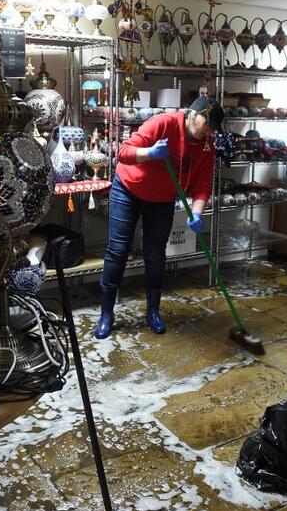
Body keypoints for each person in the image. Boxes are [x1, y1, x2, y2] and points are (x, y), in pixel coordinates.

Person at [95, 96, 223, 339]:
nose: (209, 131)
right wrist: (150, 153)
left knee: (155, 255)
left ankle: (153, 312)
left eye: (213, 128)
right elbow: (123, 152)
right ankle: (106, 313)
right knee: (118, 250)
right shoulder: (163, 123)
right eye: (207, 124)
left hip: (162, 199)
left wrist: (196, 212)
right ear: (193, 114)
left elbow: (203, 185)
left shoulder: (207, 146)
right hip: (128, 190)